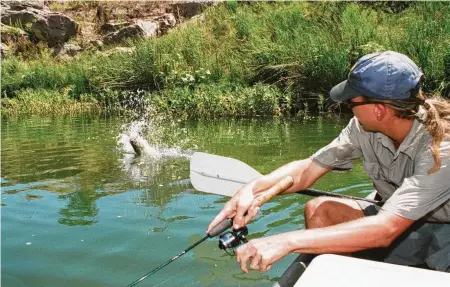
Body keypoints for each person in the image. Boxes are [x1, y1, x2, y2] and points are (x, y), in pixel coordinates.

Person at [206, 51, 450, 273]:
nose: (348, 108)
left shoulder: (443, 147)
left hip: (443, 231)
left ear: (379, 110)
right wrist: (253, 188)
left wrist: (285, 241)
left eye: (352, 102)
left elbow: (386, 229)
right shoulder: (362, 127)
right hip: (402, 223)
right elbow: (308, 169)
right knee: (319, 211)